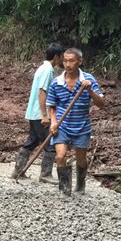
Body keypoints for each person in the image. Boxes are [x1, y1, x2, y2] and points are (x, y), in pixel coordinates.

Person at [46, 48, 104, 196]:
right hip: (62, 125)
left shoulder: (89, 79)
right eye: (65, 61)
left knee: (81, 159)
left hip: (82, 126)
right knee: (60, 156)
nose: (67, 64)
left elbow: (101, 103)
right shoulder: (56, 82)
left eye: (71, 61)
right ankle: (64, 189)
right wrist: (53, 122)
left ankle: (80, 185)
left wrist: (90, 90)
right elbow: (51, 105)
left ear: (80, 62)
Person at [11, 42, 65, 181]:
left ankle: (18, 171)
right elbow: (42, 92)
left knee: (32, 141)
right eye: (62, 57)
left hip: (34, 112)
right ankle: (45, 174)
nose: (63, 60)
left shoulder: (43, 68)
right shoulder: (47, 71)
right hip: (39, 114)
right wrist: (44, 115)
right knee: (50, 143)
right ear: (56, 56)